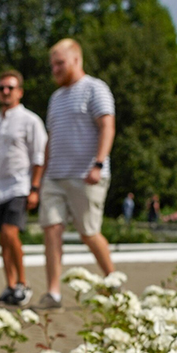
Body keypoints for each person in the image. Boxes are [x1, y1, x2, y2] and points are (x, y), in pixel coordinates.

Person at [37, 38, 116, 309]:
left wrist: (98, 164)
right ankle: (53, 293)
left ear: (76, 60)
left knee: (89, 232)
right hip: (54, 177)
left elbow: (107, 126)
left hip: (86, 175)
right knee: (51, 230)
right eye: (52, 66)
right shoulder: (55, 98)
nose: (55, 70)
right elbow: (52, 138)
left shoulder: (95, 89)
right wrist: (41, 176)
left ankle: (114, 283)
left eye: (60, 64)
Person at [0, 69, 46, 307]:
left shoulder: (30, 120)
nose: (5, 92)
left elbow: (39, 157)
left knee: (10, 232)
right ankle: (10, 285)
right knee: (2, 240)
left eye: (10, 88)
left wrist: (35, 188)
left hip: (20, 185)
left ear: (20, 92)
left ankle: (23, 285)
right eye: (1, 88)